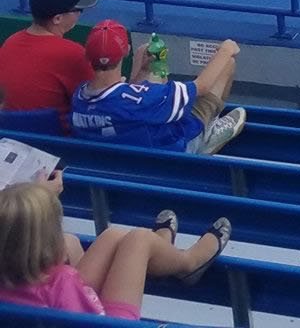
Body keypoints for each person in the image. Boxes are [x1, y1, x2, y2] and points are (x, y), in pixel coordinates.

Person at [0, 177, 231, 320]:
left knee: (113, 236)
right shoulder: (63, 280)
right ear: (50, 239)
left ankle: (160, 249)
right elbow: (91, 317)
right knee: (139, 239)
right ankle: (188, 262)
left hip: (48, 300)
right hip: (111, 322)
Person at [70, 22, 247, 155]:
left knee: (146, 55)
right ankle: (209, 131)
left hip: (127, 158)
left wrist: (145, 70)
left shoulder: (79, 97)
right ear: (125, 51)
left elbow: (126, 100)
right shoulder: (146, 100)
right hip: (173, 152)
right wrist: (225, 50)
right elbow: (201, 86)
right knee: (226, 65)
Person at [0, 0, 97, 129]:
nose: (79, 15)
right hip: (56, 144)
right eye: (78, 10)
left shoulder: (10, 41)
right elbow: (96, 102)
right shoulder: (73, 53)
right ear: (57, 19)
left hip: (9, 137)